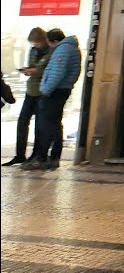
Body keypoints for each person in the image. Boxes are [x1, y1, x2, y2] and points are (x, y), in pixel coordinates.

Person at [23, 28, 80, 171]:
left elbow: (57, 73)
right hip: (61, 90)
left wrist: (45, 90)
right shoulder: (70, 48)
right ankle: (53, 157)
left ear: (53, 41)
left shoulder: (63, 50)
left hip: (55, 91)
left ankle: (42, 158)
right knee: (54, 124)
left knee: (46, 125)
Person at [5, 28, 51, 167]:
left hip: (43, 92)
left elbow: (50, 71)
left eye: (37, 43)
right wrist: (27, 70)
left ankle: (36, 155)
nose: (35, 46)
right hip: (31, 90)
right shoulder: (33, 50)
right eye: (33, 44)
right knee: (22, 122)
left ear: (44, 40)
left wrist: (35, 71)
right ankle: (20, 155)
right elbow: (33, 66)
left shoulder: (52, 51)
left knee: (39, 125)